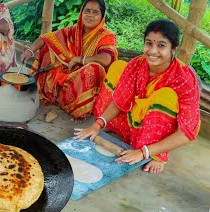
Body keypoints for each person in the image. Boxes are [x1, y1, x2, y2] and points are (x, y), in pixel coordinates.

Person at [74, 19, 201, 174]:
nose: (153, 51)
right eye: (149, 43)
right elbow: (120, 99)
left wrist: (144, 152)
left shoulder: (185, 79)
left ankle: (156, 153)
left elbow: (187, 133)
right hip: (135, 119)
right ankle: (112, 125)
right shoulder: (137, 64)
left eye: (161, 45)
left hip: (158, 129)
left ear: (173, 49)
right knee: (118, 67)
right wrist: (97, 125)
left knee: (166, 96)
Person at [20, 0, 118, 121]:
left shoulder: (106, 35)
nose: (90, 15)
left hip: (84, 81)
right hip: (67, 75)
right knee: (50, 47)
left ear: (102, 16)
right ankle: (55, 97)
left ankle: (79, 109)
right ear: (81, 12)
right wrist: (29, 50)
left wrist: (79, 59)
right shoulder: (73, 31)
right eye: (87, 11)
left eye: (95, 12)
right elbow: (45, 38)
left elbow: (106, 59)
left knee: (94, 69)